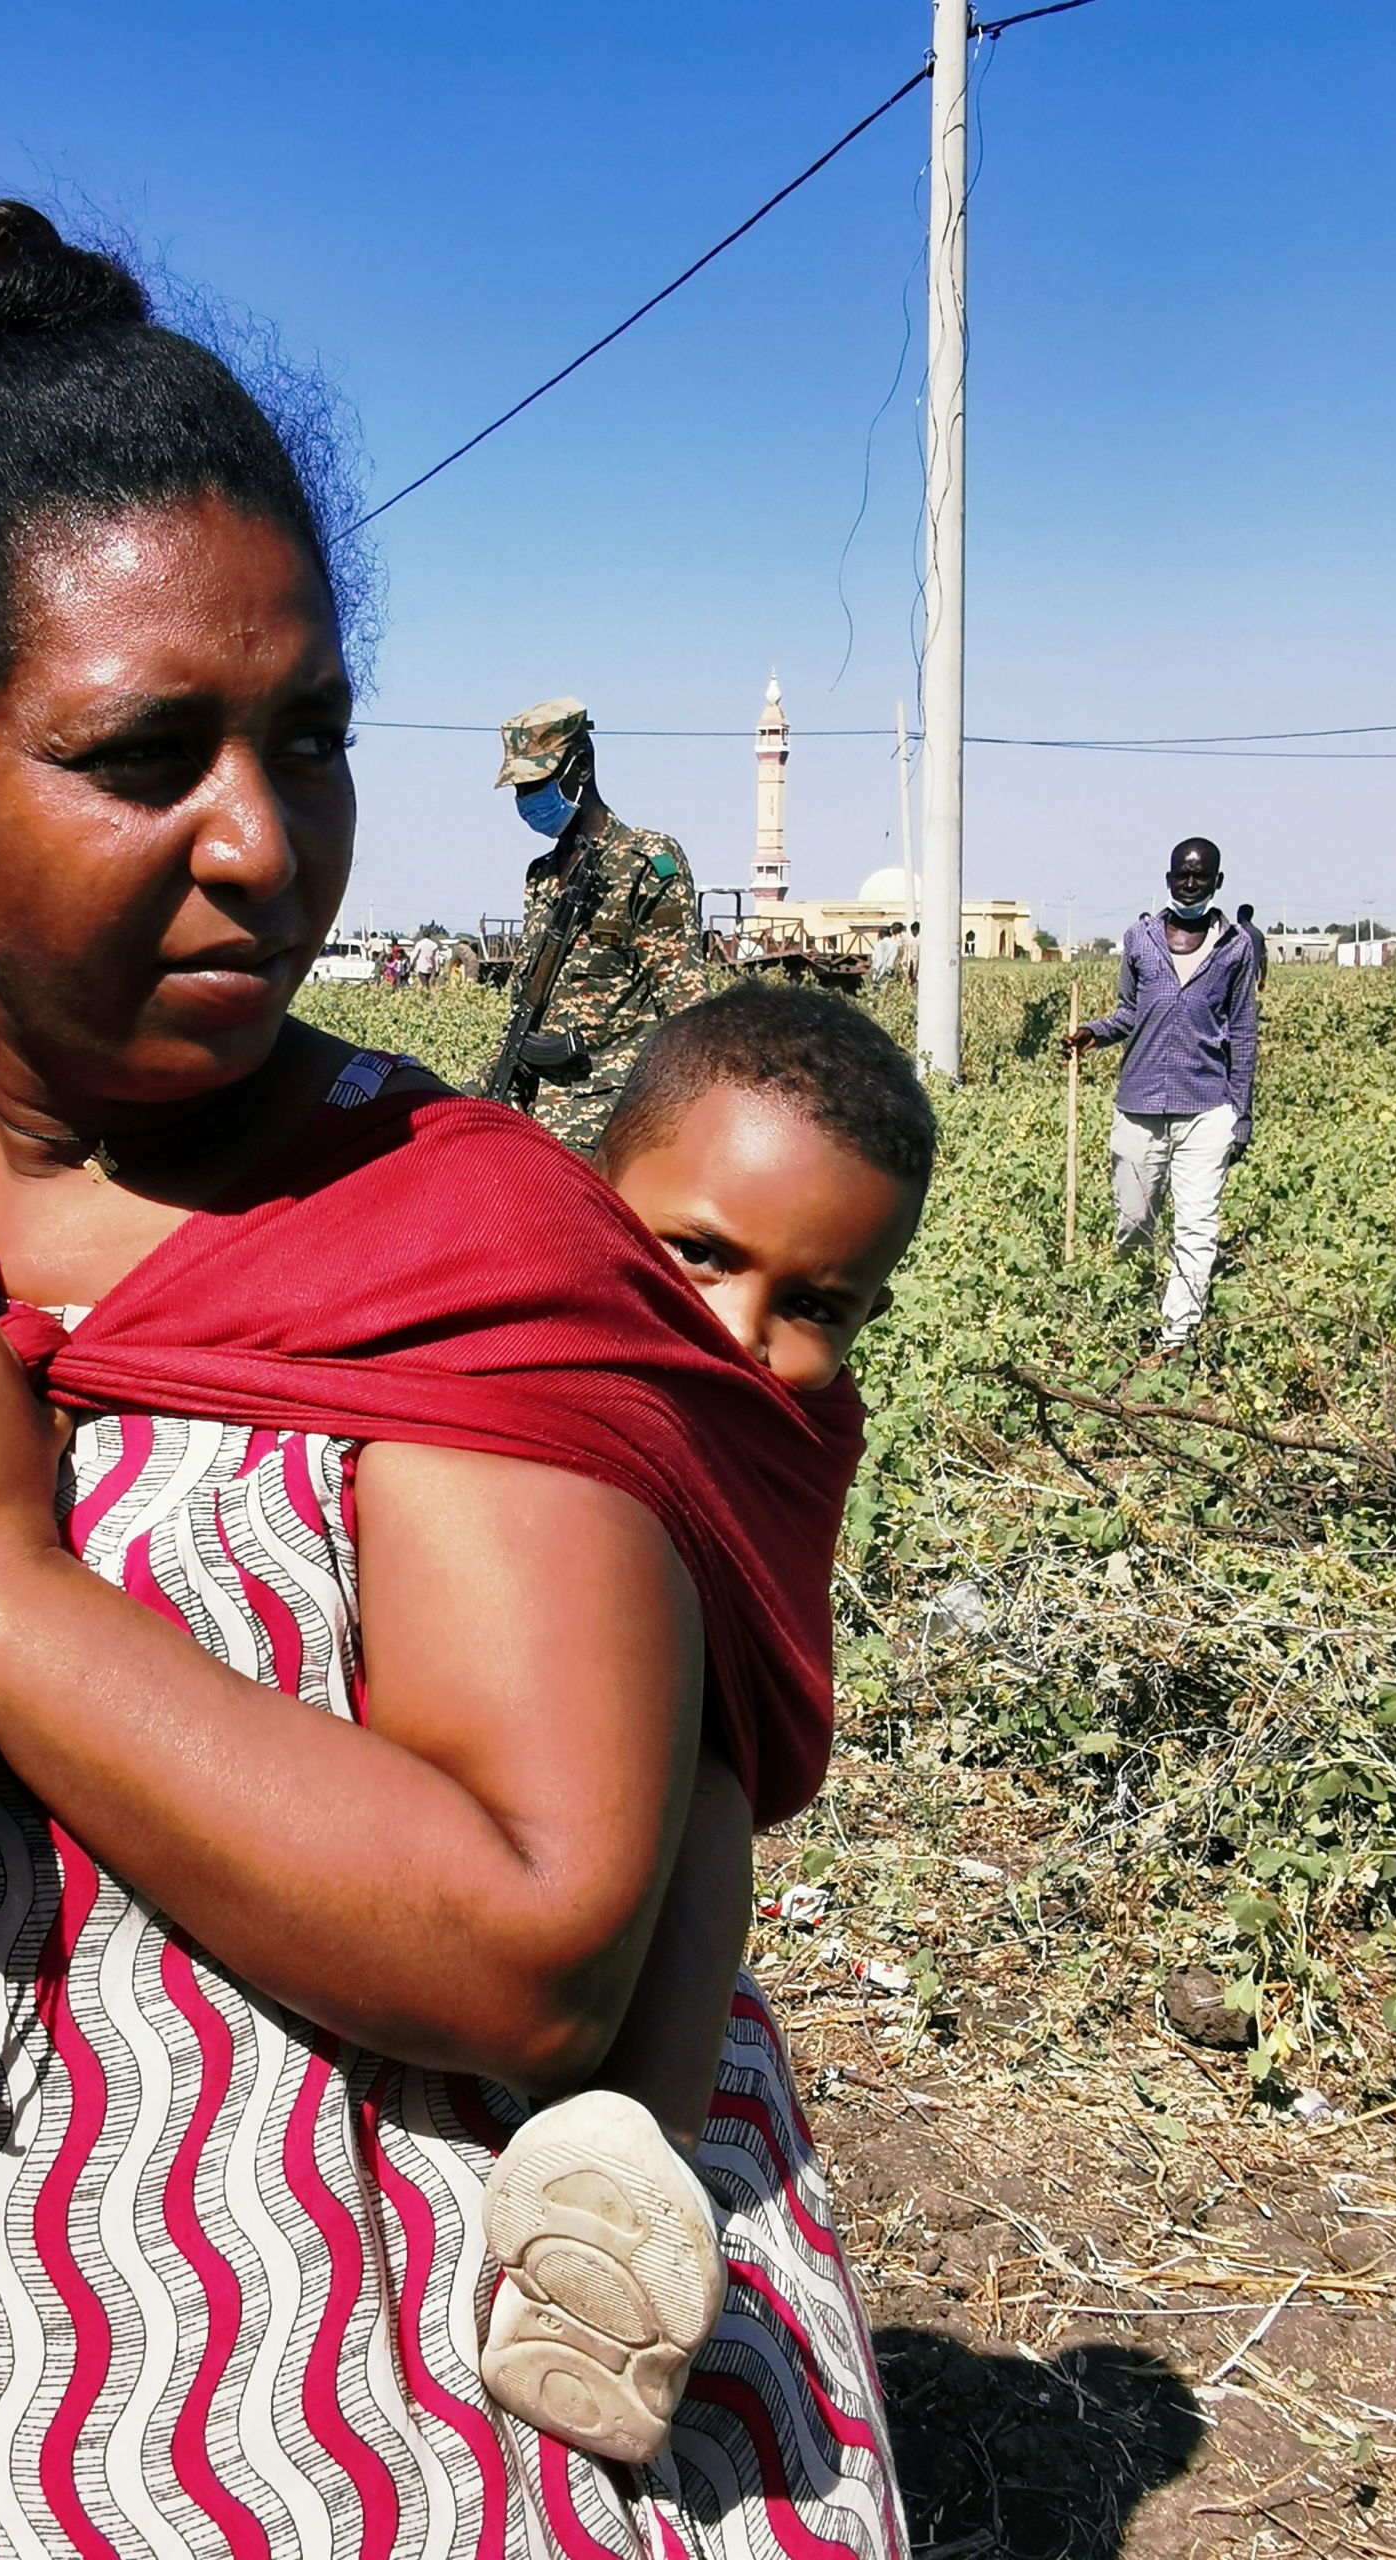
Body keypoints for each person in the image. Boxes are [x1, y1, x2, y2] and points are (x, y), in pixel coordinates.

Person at [0, 164, 905, 2556]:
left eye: (304, 736)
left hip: (431, 2417)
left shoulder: (457, 1242)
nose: (261, 840)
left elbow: (528, 1948)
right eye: (141, 753)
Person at [480, 983, 931, 2461]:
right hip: (479, 1755)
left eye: (816, 1306)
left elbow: (760, 1637)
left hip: (683, 1771)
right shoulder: (500, 1312)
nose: (739, 1332)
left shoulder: (804, 1424)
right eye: (696, 1252)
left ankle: (632, 2196)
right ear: (592, 1193)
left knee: (712, 1788)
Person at [1063, 837, 1259, 1350]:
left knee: (1197, 1228)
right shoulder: (1140, 938)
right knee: (1133, 1222)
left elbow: (1242, 1032)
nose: (1190, 884)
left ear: (1217, 883)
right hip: (1139, 1103)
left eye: (1201, 876)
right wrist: (1095, 1032)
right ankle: (1129, 1306)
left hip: (1207, 1108)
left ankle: (1177, 1336)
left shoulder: (1236, 947)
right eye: (1181, 875)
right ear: (1168, 879)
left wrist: (1241, 1114)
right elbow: (1130, 1012)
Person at [494, 699, 707, 1148]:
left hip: (610, 1111)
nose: (526, 800)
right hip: (534, 1104)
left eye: (537, 784)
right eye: (519, 790)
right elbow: (524, 1001)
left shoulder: (646, 863)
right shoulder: (541, 876)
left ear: (582, 767)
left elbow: (685, 1006)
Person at [1235, 901, 1268, 987]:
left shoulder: (1235, 932)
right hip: (1252, 977)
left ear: (1240, 915)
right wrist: (1263, 979)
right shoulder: (1258, 934)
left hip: (1235, 977)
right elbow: (1263, 959)